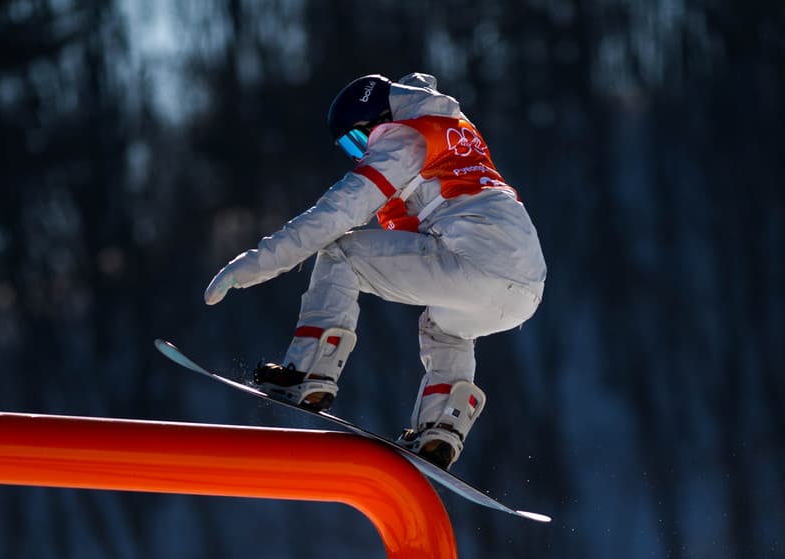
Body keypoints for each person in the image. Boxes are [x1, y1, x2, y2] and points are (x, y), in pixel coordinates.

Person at [204, 73, 546, 469]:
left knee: (341, 252)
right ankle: (441, 428)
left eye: (357, 141)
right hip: (526, 288)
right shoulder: (448, 131)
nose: (360, 154)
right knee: (445, 327)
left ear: (376, 121)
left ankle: (309, 372)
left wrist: (255, 264)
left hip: (478, 261)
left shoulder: (402, 138)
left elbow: (335, 214)